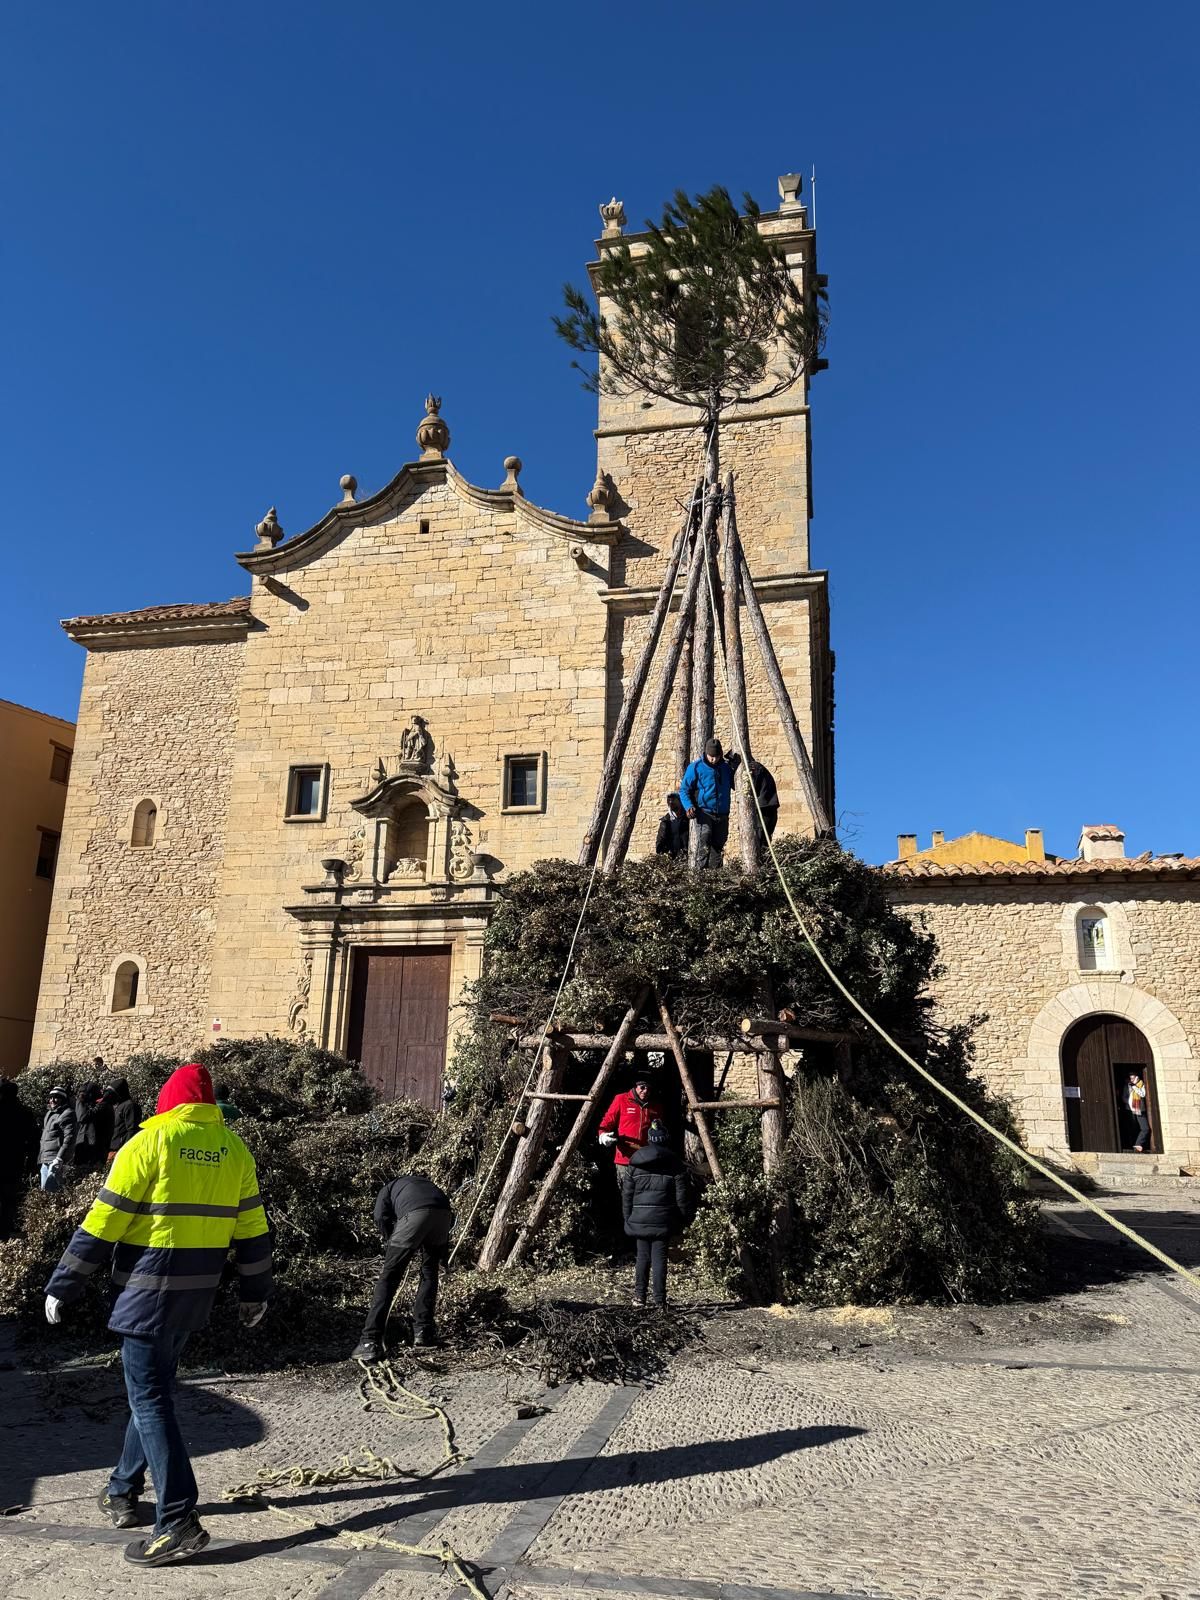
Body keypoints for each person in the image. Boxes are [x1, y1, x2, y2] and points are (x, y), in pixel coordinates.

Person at [44, 1062, 271, 1568]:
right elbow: (253, 1228)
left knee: (149, 1400)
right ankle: (122, 1489)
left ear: (169, 1099)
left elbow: (104, 1220)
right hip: (197, 1294)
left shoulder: (148, 1144)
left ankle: (176, 1520)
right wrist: (255, 1292)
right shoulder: (234, 1150)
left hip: (148, 1292)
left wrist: (64, 1283)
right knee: (152, 1392)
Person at [353, 1171, 453, 1363]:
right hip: (444, 1214)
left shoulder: (388, 1188)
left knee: (389, 1277)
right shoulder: (423, 1184)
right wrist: (444, 1256)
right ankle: (424, 1333)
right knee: (429, 1273)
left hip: (416, 1215)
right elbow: (437, 1208)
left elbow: (380, 1217)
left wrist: (391, 1241)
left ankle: (369, 1341)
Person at [621, 1120, 690, 1309]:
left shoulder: (635, 1163)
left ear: (649, 1140)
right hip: (663, 1219)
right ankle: (660, 1301)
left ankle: (639, 1298)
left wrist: (628, 1218)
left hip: (640, 1218)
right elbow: (681, 1197)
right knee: (659, 1259)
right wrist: (682, 1219)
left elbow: (627, 1195)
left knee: (642, 1258)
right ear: (666, 1140)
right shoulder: (676, 1164)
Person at [598, 1074, 664, 1187]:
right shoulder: (621, 1099)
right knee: (627, 1197)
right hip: (625, 1161)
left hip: (646, 1160)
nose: (645, 1091)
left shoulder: (655, 1107)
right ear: (635, 1086)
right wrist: (603, 1135)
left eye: (648, 1088)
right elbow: (606, 1123)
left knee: (644, 1197)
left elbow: (659, 1131)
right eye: (642, 1087)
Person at [679, 737, 735, 869]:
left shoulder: (726, 769)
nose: (714, 759)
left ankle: (715, 877)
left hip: (722, 813)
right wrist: (689, 806)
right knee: (704, 841)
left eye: (716, 756)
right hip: (704, 812)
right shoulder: (696, 767)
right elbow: (684, 790)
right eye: (711, 756)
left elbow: (735, 784)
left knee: (718, 846)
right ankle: (700, 877)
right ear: (706, 753)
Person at [0, 1079, 38, 1239]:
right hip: (14, 1163)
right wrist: (30, 1163)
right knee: (8, 1201)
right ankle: (4, 1232)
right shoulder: (26, 1113)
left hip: (9, 1162)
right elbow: (33, 1141)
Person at [39, 1086, 76, 1190]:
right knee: (44, 1193)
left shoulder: (67, 1114)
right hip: (45, 1160)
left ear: (63, 1099)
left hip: (55, 1161)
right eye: (51, 1097)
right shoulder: (49, 1114)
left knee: (53, 1192)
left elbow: (69, 1138)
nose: (52, 1100)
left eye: (56, 1097)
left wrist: (59, 1158)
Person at [75, 1081, 115, 1174]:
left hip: (95, 1154)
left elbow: (82, 1117)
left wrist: (80, 1101)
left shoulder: (103, 1106)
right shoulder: (91, 1107)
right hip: (85, 1153)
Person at [105, 1078, 143, 1157]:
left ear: (119, 1093)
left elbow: (132, 1130)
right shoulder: (118, 1106)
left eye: (112, 1093)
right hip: (113, 1151)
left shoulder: (130, 1106)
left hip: (120, 1152)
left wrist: (121, 1151)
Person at [1124, 1072, 1152, 1152]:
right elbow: (1126, 1098)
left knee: (1145, 1128)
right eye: (1130, 1078)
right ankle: (1136, 1145)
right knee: (1134, 1128)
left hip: (1140, 1110)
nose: (1131, 1080)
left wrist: (1135, 1087)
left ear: (1137, 1078)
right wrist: (1131, 1106)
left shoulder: (1141, 1084)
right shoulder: (1128, 1086)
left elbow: (1142, 1094)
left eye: (1133, 1078)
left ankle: (1138, 1144)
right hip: (1131, 1110)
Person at [655, 793, 687, 859]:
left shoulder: (688, 819)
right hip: (671, 858)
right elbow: (660, 839)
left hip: (686, 856)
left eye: (673, 800)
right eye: (669, 800)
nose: (671, 802)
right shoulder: (666, 821)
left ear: (680, 802)